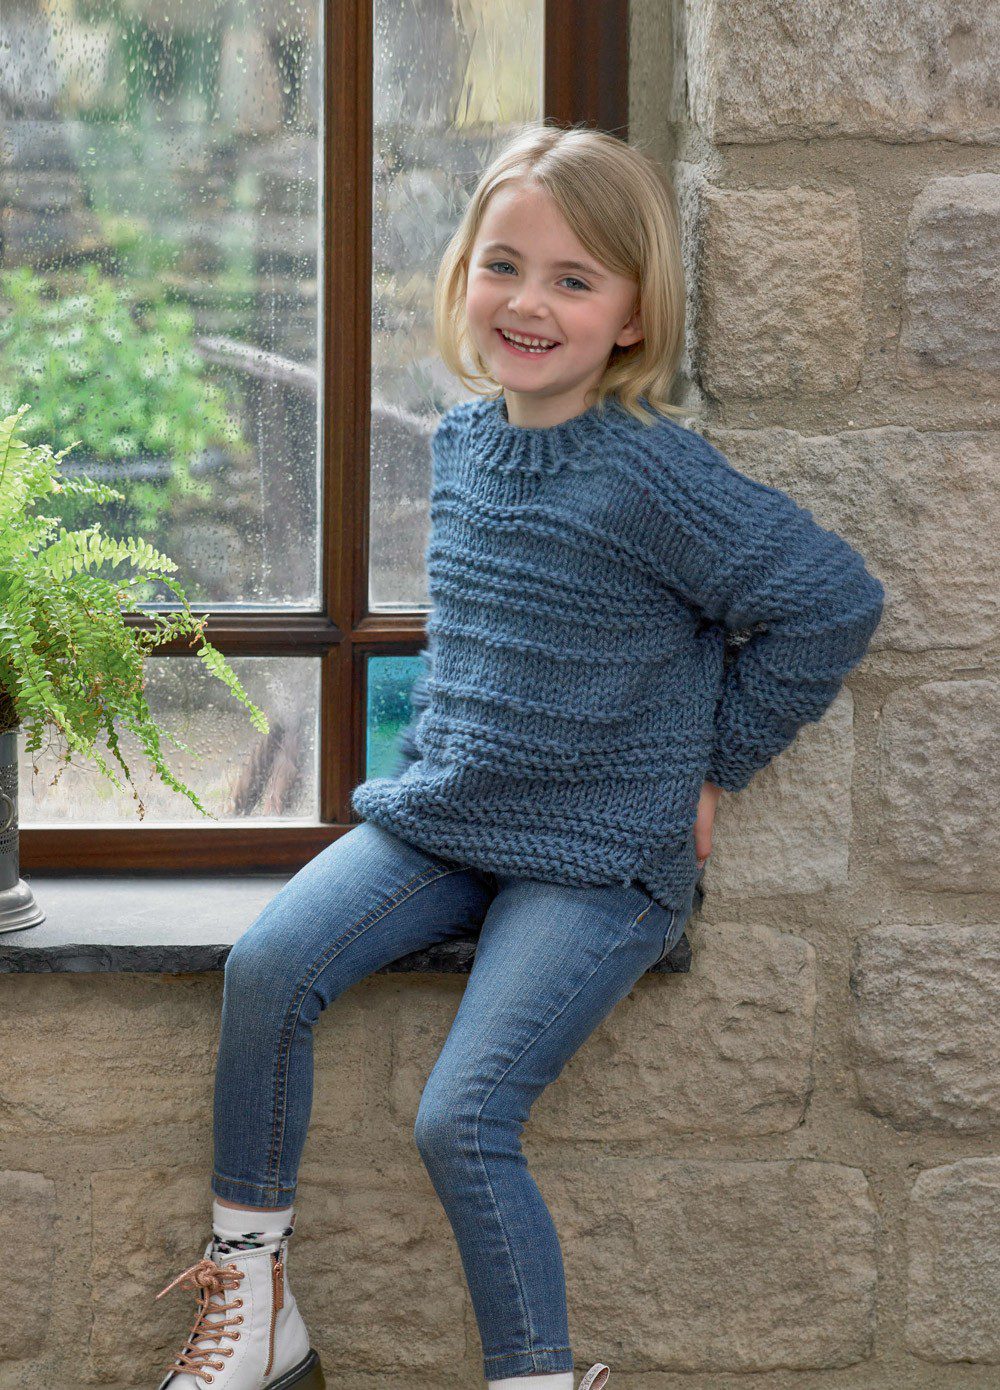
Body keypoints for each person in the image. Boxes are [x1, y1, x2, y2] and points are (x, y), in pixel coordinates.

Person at [152, 122, 885, 1390]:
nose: (528, 302)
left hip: (598, 860)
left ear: (632, 315)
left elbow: (830, 600)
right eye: (503, 265)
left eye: (572, 279)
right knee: (267, 966)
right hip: (449, 818)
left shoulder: (653, 473)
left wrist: (716, 762)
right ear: (462, 277)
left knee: (461, 1116)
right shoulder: (461, 444)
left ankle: (538, 1378)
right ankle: (255, 1297)